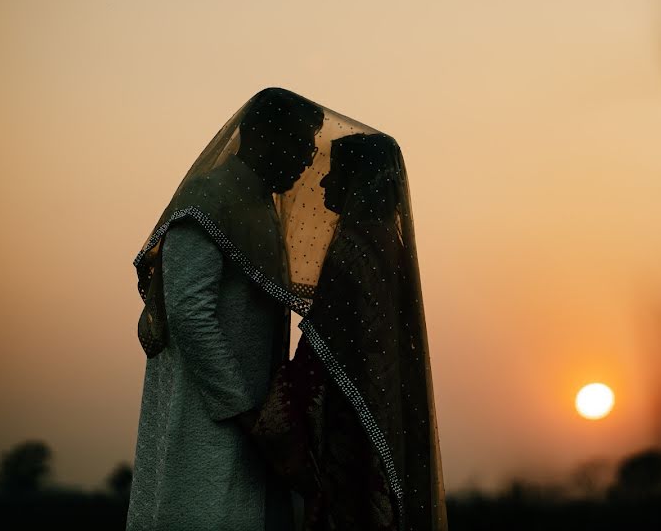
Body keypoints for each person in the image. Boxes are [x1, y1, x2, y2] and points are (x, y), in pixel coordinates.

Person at [127, 87, 324, 530]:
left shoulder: (263, 210)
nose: (308, 158)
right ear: (260, 135)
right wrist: (247, 415)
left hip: (251, 428)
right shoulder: (208, 198)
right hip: (207, 423)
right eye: (300, 142)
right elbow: (189, 316)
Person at [247, 132, 449, 531]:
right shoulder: (389, 242)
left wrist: (271, 418)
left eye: (334, 173)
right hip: (381, 414)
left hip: (351, 426)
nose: (322, 182)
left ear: (359, 180)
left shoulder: (352, 247)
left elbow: (321, 352)